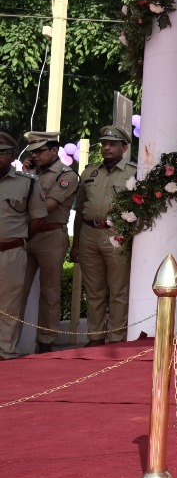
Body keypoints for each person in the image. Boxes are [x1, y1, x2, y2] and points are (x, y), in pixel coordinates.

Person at [73, 127, 135, 345]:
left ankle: (116, 336)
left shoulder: (133, 172)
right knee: (93, 291)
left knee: (118, 290)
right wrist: (76, 244)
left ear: (124, 148)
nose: (107, 147)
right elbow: (80, 208)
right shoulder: (89, 172)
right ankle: (95, 337)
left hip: (116, 233)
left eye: (113, 143)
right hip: (89, 232)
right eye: (104, 143)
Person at [19, 132, 77, 352]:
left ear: (55, 150)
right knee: (17, 290)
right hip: (26, 235)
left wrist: (31, 180)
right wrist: (27, 176)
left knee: (50, 292)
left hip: (51, 235)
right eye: (33, 151)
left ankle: (45, 342)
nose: (35, 155)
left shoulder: (66, 175)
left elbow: (45, 207)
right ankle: (9, 340)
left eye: (40, 151)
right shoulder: (30, 174)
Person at [0, 133, 45, 359]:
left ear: (11, 156)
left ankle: (6, 351)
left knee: (10, 303)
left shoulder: (27, 183)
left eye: (3, 153)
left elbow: (37, 218)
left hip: (11, 251)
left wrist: (20, 238)